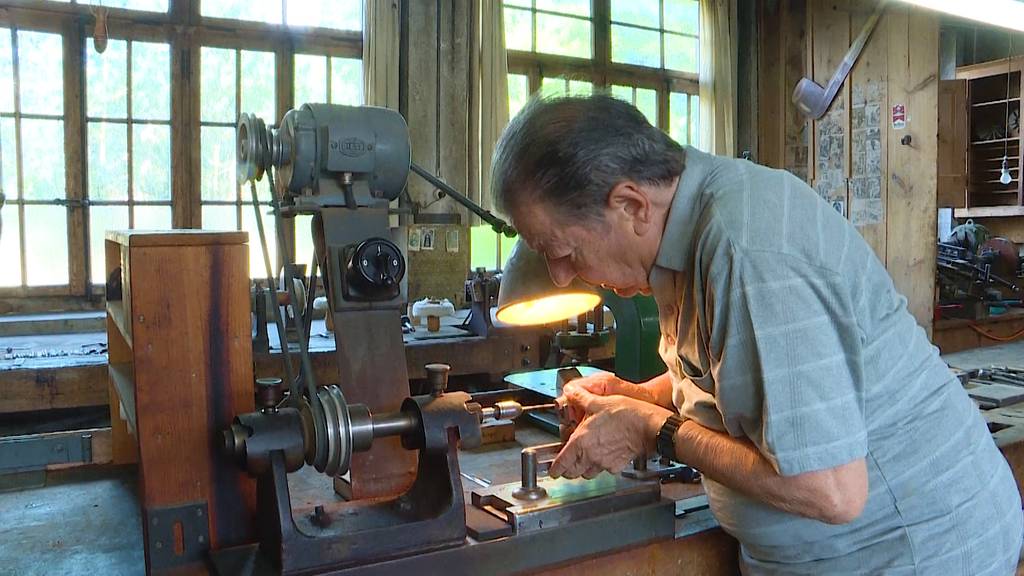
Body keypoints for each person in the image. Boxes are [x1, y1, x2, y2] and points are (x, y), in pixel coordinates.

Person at [490, 94, 1023, 574]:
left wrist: (654, 429)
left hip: (916, 551)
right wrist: (635, 396)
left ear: (631, 206)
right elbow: (730, 380)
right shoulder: (688, 237)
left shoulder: (746, 248)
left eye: (564, 252)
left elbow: (831, 489)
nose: (560, 276)